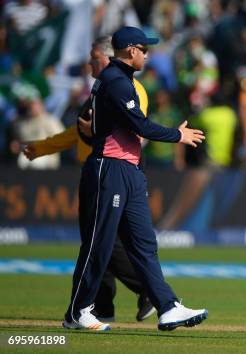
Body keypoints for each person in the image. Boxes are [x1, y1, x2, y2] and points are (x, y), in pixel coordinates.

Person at [62, 26, 207, 331]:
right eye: (144, 49)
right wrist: (177, 135)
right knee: (99, 243)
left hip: (129, 170)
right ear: (131, 51)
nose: (147, 54)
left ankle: (167, 306)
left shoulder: (121, 80)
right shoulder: (115, 81)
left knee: (143, 244)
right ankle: (78, 311)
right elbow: (139, 125)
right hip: (110, 168)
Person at [23, 36, 156, 323]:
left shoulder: (129, 87)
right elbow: (77, 132)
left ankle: (149, 291)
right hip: (99, 170)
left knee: (106, 241)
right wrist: (42, 147)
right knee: (98, 239)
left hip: (116, 170)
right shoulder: (101, 87)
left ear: (110, 58)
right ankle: (100, 305)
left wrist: (94, 132)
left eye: (94, 57)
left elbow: (136, 129)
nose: (89, 63)